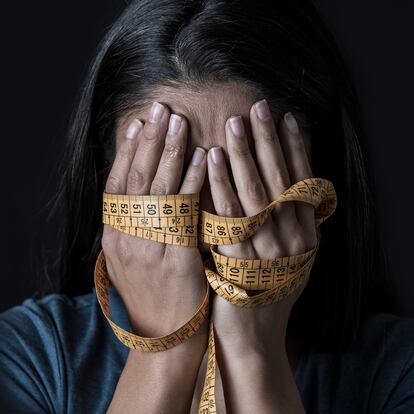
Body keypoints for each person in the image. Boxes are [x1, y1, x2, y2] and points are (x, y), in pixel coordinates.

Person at [1, 0, 413, 412]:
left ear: (320, 181)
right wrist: (163, 348)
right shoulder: (27, 359)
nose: (217, 210)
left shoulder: (399, 371)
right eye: (173, 173)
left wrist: (253, 352)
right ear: (109, 181)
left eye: (246, 171)